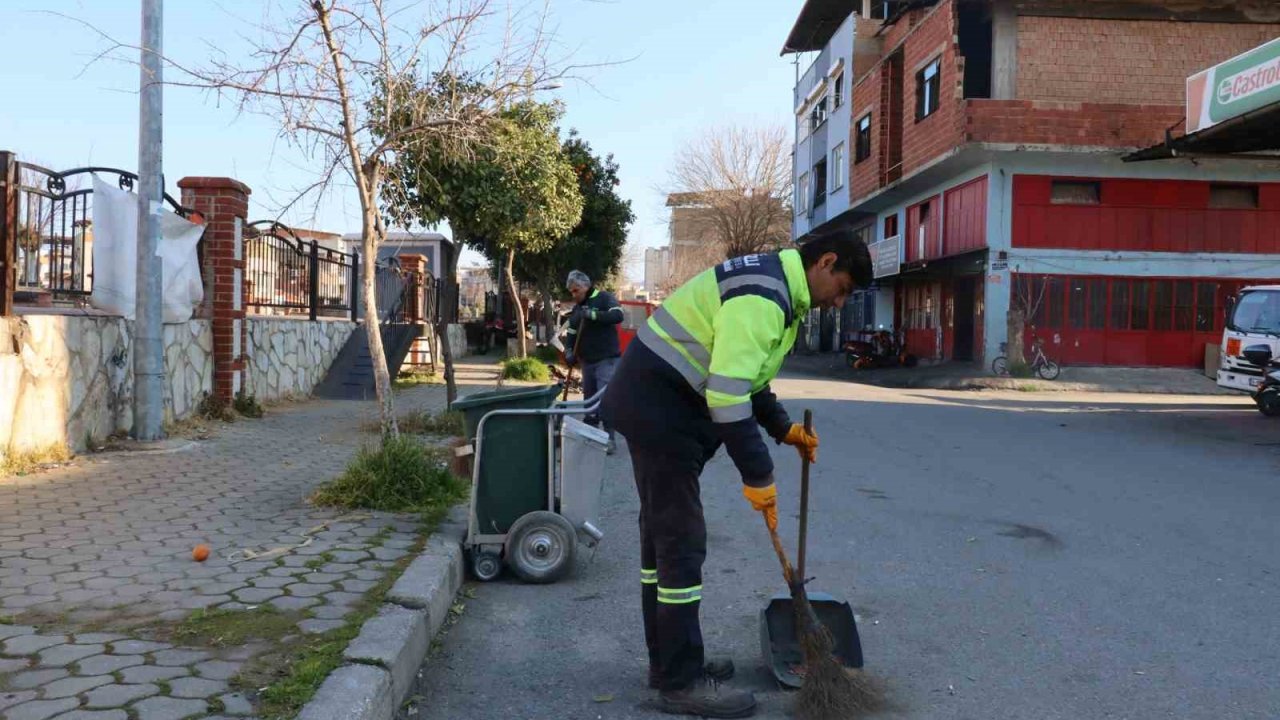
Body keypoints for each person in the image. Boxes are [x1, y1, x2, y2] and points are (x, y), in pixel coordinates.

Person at [601, 229, 873, 718]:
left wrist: (783, 429)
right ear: (825, 263)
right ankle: (680, 682)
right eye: (844, 288)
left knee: (662, 546)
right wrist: (759, 475)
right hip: (659, 411)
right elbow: (727, 396)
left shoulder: (776, 292)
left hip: (655, 405)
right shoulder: (764, 298)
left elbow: (750, 381)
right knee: (680, 546)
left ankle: (669, 662)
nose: (839, 303)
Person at [562, 270, 623, 446]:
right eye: (571, 292)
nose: (574, 295)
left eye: (576, 291)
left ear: (585, 286)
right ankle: (591, 436)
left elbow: (618, 315)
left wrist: (593, 315)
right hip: (587, 361)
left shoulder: (604, 298)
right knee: (589, 400)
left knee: (604, 398)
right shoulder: (577, 308)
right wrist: (569, 352)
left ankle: (609, 438)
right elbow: (572, 332)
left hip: (607, 358)